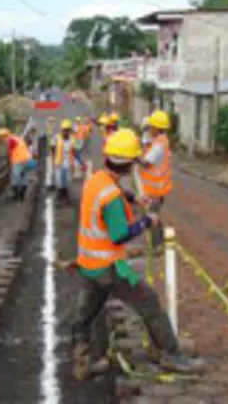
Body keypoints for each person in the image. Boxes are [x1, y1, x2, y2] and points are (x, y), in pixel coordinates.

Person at [71, 128, 207, 378]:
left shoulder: (97, 180)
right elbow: (119, 235)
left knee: (86, 315)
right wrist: (146, 221)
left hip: (88, 263)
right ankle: (170, 354)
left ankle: (82, 362)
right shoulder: (111, 198)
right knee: (149, 302)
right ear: (129, 164)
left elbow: (114, 189)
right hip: (109, 267)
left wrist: (134, 199)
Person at [136, 110, 173, 251]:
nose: (150, 128)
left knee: (152, 217)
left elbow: (146, 163)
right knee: (153, 216)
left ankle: (157, 246)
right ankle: (158, 242)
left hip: (155, 191)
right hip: (156, 189)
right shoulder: (160, 140)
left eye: (151, 126)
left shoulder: (159, 144)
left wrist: (132, 156)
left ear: (157, 128)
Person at [0, 128, 32, 201]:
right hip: (27, 159)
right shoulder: (16, 138)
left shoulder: (10, 140)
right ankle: (22, 196)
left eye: (1, 137)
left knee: (15, 177)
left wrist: (10, 163)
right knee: (23, 177)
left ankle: (16, 196)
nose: (2, 139)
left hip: (18, 160)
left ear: (4, 136)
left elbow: (10, 153)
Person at [52, 119, 77, 201]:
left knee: (67, 180)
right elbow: (52, 149)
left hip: (68, 163)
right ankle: (59, 195)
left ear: (69, 130)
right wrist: (53, 160)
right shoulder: (56, 138)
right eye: (64, 130)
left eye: (67, 130)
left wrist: (75, 163)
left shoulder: (73, 139)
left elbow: (74, 151)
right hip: (59, 162)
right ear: (62, 130)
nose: (65, 132)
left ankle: (65, 194)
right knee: (59, 180)